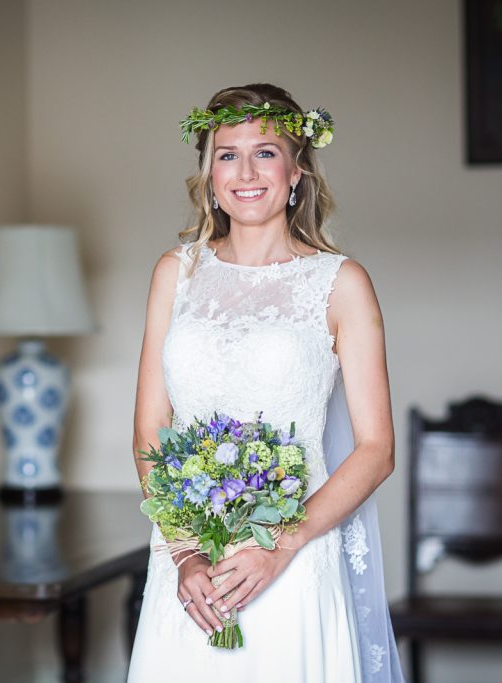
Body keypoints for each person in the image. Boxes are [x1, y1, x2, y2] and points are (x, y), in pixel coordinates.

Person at [127, 83, 406, 681]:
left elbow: (377, 449)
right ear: (208, 174)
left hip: (293, 560)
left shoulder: (340, 282)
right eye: (227, 154)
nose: (246, 172)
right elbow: (152, 428)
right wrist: (185, 552)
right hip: (187, 565)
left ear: (297, 170)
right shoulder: (176, 273)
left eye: (266, 152)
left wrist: (277, 547)